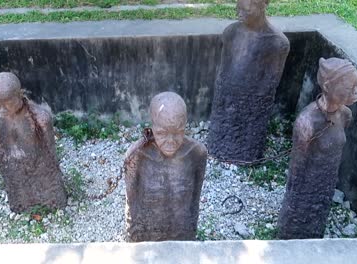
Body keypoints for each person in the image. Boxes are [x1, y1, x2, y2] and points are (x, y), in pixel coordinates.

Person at [277, 58, 357, 239]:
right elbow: (296, 168)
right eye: (349, 88)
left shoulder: (345, 115)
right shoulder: (307, 122)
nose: (356, 93)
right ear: (328, 86)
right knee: (299, 220)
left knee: (318, 215)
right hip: (305, 184)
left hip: (327, 180)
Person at [207, 0, 290, 162]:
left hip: (252, 102)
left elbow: (271, 82)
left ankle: (244, 156)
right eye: (238, 9)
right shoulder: (230, 32)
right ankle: (217, 147)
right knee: (221, 132)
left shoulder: (277, 43)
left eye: (246, 10)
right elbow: (223, 67)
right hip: (226, 97)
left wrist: (249, 101)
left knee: (245, 138)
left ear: (262, 6)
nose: (239, 14)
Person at [124, 91, 207, 242]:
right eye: (162, 133)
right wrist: (135, 241)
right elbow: (132, 205)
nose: (171, 141)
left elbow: (194, 202)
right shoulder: (137, 155)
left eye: (178, 132)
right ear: (152, 127)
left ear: (185, 125)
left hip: (182, 236)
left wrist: (190, 235)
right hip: (147, 239)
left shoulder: (197, 154)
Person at [0, 72, 67, 212]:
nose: (2, 109)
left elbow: (50, 153)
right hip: (14, 170)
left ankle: (51, 204)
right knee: (20, 192)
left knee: (48, 191)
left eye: (7, 103)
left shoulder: (40, 118)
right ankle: (20, 205)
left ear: (19, 95)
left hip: (40, 167)